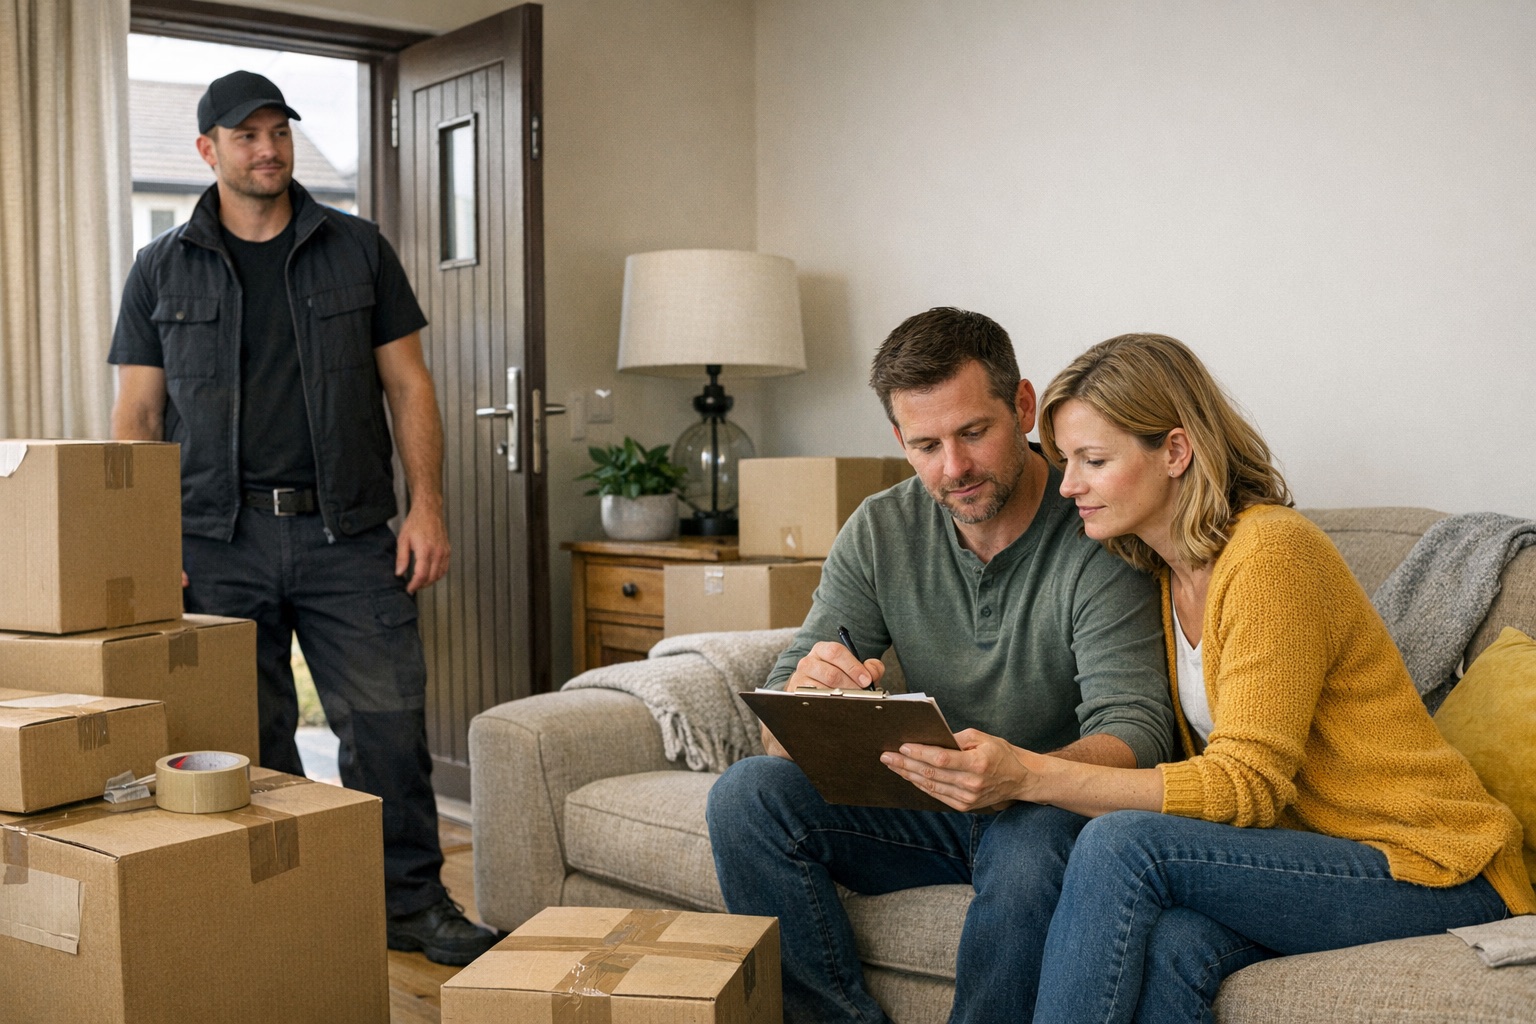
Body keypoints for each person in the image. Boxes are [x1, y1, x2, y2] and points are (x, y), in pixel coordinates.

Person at [882, 332, 1534, 1023]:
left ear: (1174, 451)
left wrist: (1029, 774)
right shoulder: (1163, 572)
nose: (1067, 484)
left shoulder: (1271, 553)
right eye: (1066, 460)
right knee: (1176, 945)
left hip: (1435, 865)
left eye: (1093, 460)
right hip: (1312, 853)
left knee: (1123, 845)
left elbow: (1245, 783)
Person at [108, 71, 499, 965]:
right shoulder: (159, 267)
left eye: (278, 129)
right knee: (245, 743)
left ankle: (411, 906)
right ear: (207, 151)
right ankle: (284, 908)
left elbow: (410, 386)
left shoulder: (357, 249)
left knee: (389, 729)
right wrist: (141, 546)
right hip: (215, 539)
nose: (268, 148)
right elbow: (136, 419)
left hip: (350, 533)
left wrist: (426, 507)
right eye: (245, 135)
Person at [706, 308, 1179, 1024]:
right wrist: (806, 702)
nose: (952, 468)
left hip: (1041, 804)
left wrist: (1023, 773)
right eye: (925, 445)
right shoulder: (881, 527)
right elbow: (780, 718)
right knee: (748, 796)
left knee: (1033, 837)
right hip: (923, 805)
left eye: (973, 433)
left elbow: (1139, 729)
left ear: (1022, 406)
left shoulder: (1095, 522)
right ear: (900, 440)